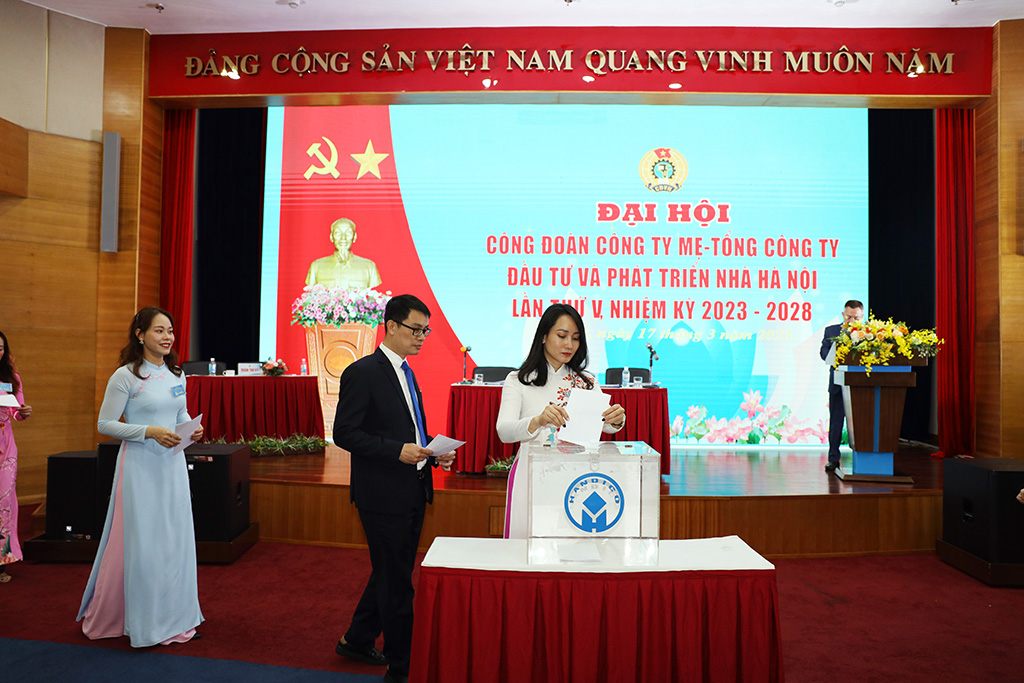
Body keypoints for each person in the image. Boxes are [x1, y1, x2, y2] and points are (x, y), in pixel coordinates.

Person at [331, 294, 455, 683]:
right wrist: (396, 451)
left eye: (426, 331)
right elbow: (344, 433)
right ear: (391, 326)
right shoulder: (363, 372)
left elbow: (409, 429)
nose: (422, 337)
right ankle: (402, 667)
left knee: (392, 570)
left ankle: (357, 639)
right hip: (382, 494)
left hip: (413, 488)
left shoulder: (407, 371)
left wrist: (432, 452)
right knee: (397, 584)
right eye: (416, 329)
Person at [77, 306, 205, 647]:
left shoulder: (177, 374)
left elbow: (180, 413)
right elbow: (105, 424)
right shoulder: (125, 376)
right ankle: (144, 622)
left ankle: (176, 618)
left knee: (174, 541)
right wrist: (148, 431)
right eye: (159, 331)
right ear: (140, 334)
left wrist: (192, 428)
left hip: (172, 466)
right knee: (145, 544)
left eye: (170, 331)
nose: (167, 337)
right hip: (140, 467)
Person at [495, 303, 626, 539]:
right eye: (562, 335)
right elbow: (504, 431)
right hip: (532, 475)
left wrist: (616, 420)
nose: (569, 345)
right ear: (543, 336)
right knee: (526, 545)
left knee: (572, 547)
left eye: (575, 338)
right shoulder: (519, 380)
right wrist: (537, 421)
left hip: (577, 478)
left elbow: (604, 423)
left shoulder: (586, 381)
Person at [0, 330, 33, 584]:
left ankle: (2, 561)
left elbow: (16, 412)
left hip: (6, 447)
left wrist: (23, 413)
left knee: (4, 500)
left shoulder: (11, 377)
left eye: (1, 348)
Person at [819, 299, 864, 473]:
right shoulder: (832, 331)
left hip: (862, 387)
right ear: (843, 315)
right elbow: (824, 352)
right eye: (849, 317)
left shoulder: (870, 334)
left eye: (856, 318)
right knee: (836, 423)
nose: (852, 321)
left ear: (862, 316)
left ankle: (862, 459)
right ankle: (833, 459)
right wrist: (835, 355)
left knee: (862, 424)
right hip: (838, 385)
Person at [305, 217, 382, 289]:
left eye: (348, 233)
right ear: (331, 237)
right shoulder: (316, 266)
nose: (343, 238)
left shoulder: (369, 267)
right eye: (338, 233)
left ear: (354, 237)